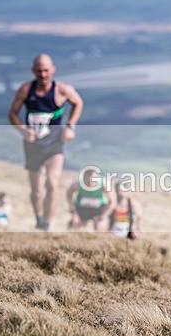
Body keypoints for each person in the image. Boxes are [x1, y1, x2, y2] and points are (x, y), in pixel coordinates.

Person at [8, 54, 83, 231]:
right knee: (37, 191)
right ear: (33, 71)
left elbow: (78, 103)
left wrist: (70, 127)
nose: (43, 74)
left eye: (46, 70)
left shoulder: (62, 90)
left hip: (55, 145)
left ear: (53, 70)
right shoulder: (26, 90)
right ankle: (39, 218)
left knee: (52, 182)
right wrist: (23, 130)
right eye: (39, 71)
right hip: (33, 144)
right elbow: (12, 114)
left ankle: (47, 223)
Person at [66, 167, 115, 232]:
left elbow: (112, 201)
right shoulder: (78, 183)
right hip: (82, 208)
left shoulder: (103, 183)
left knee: (100, 227)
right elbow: (69, 193)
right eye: (88, 180)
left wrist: (104, 216)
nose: (90, 182)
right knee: (76, 226)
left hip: (98, 208)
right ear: (84, 178)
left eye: (93, 180)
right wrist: (74, 212)